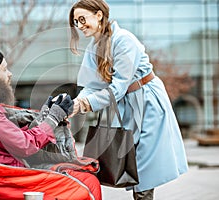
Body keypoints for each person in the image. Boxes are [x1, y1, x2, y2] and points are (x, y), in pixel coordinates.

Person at [68, 0, 188, 199]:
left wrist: (85, 104)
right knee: (130, 162)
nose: (79, 26)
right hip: (126, 104)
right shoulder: (94, 47)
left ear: (99, 15)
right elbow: (92, 85)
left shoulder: (124, 39)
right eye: (76, 22)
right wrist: (75, 104)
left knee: (143, 165)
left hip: (147, 101)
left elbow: (118, 87)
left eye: (82, 19)